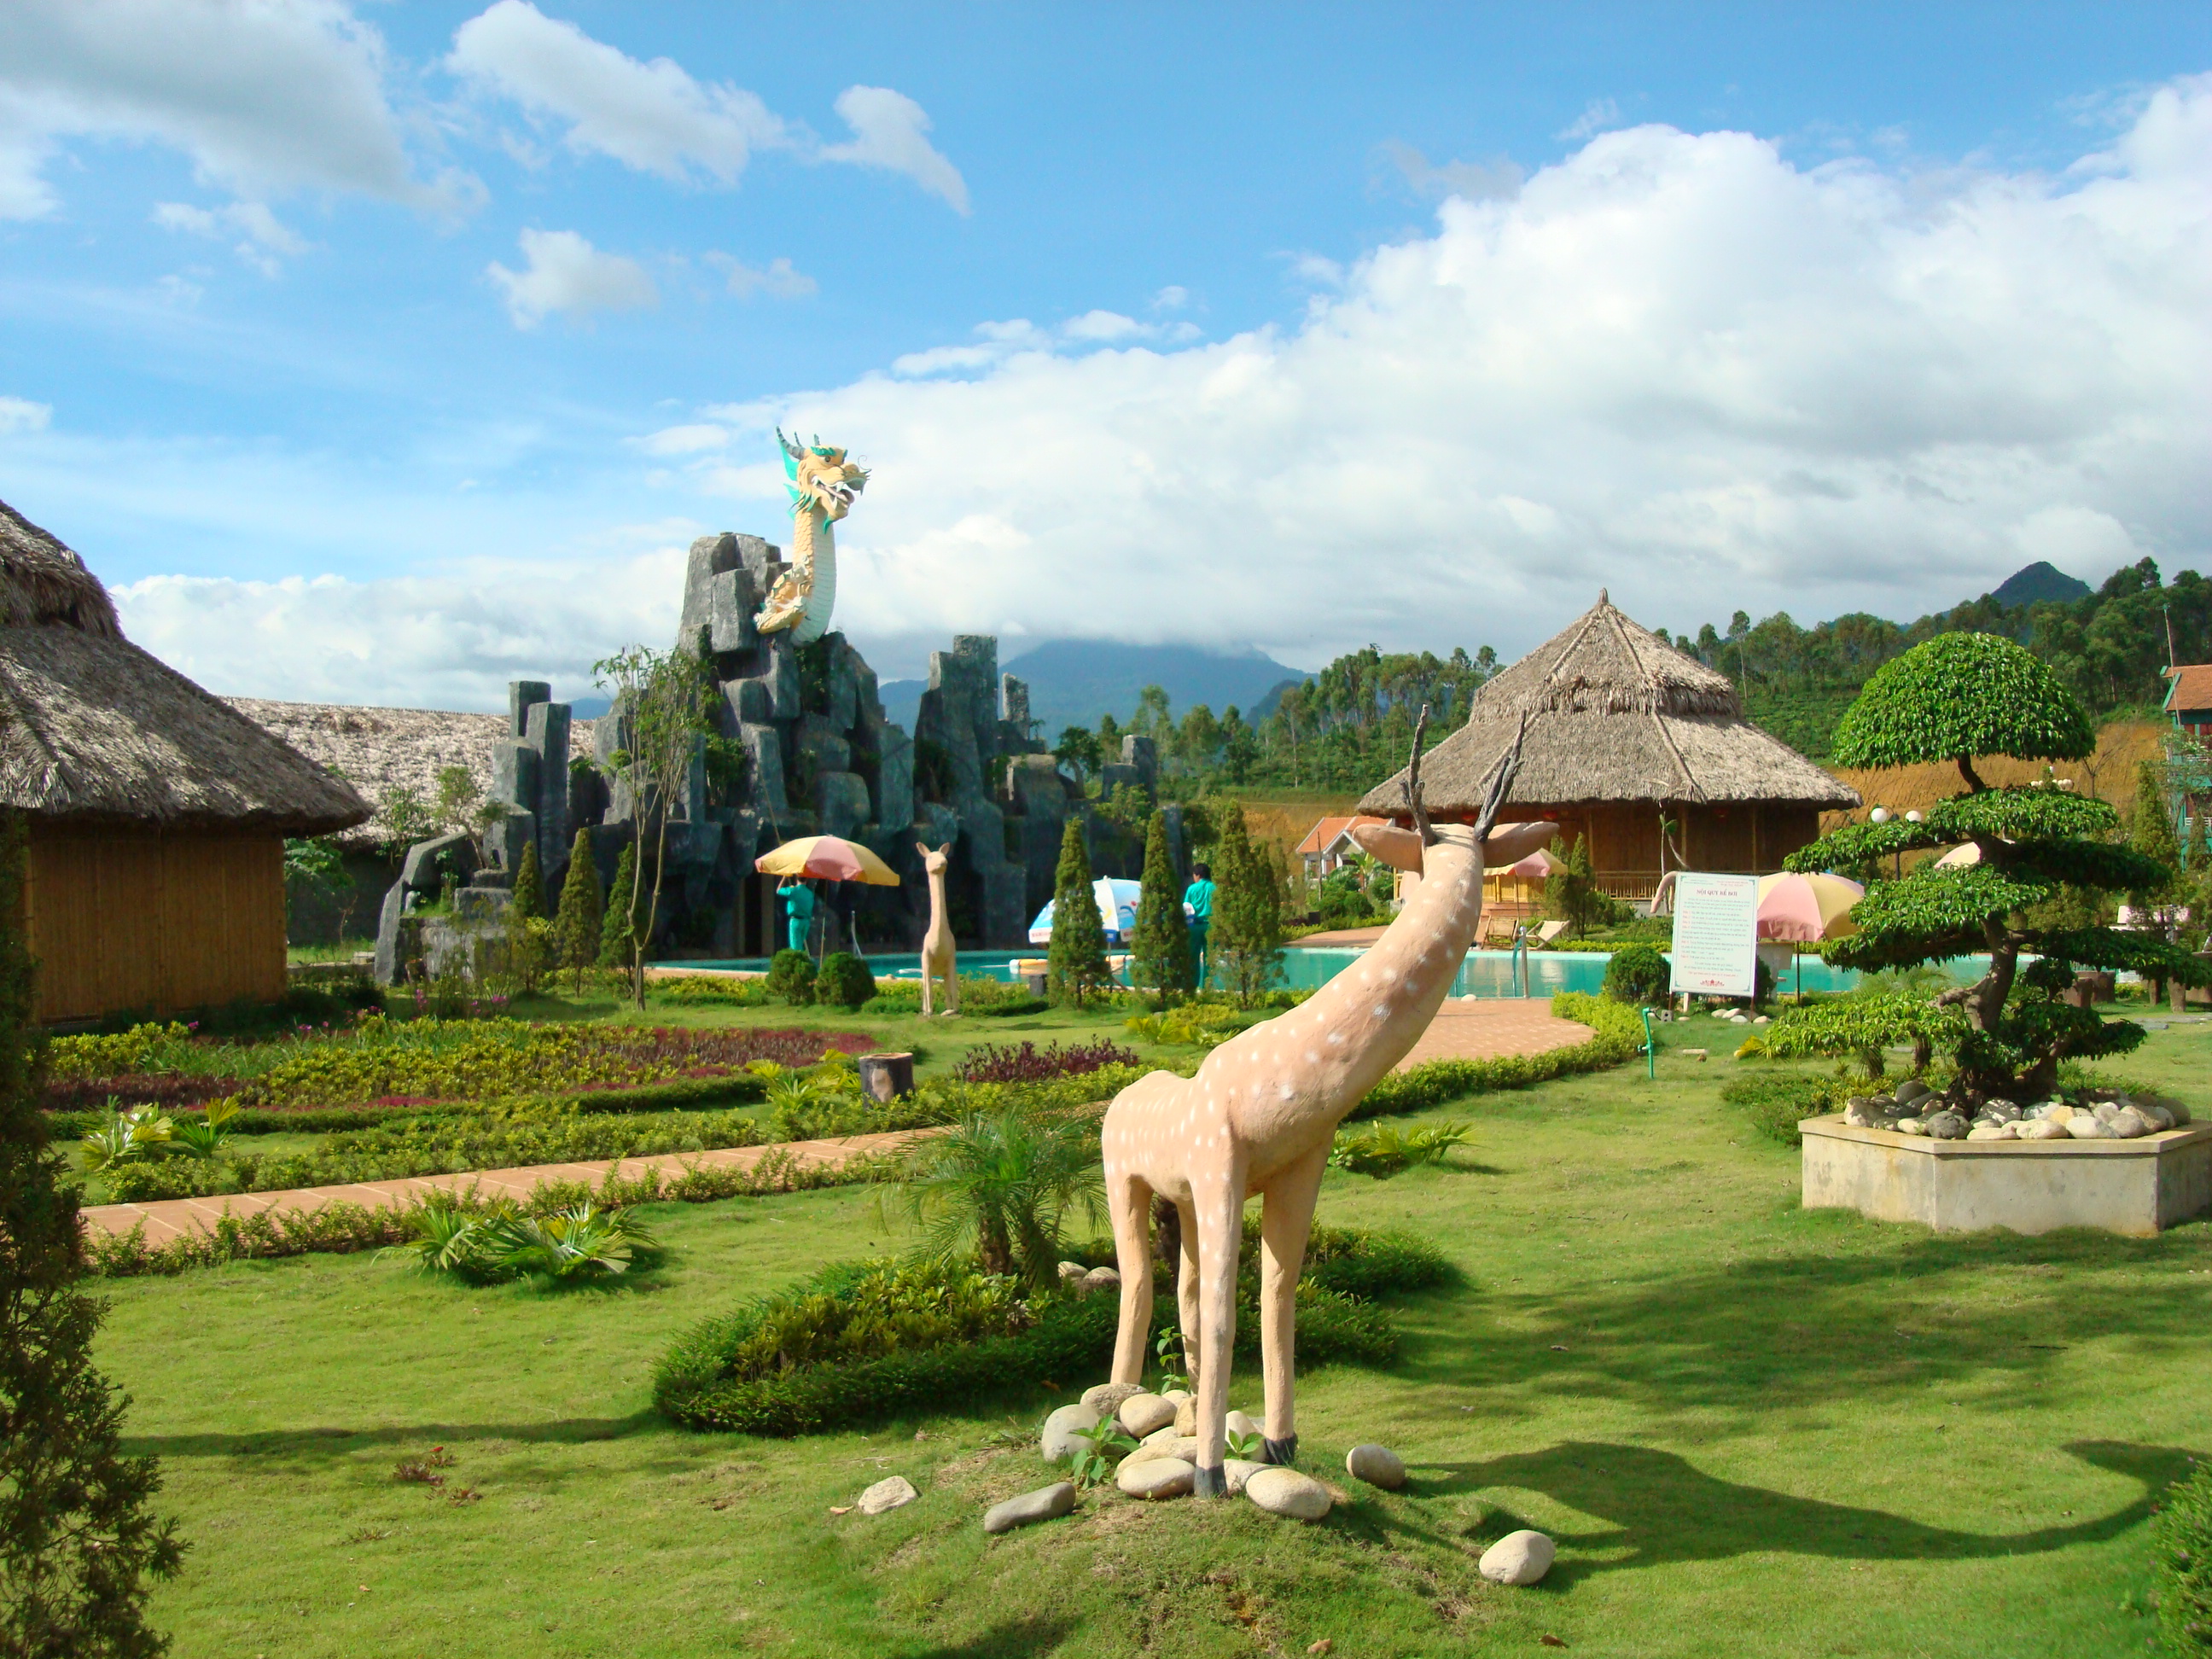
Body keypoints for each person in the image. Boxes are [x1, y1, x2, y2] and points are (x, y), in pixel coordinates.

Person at [1183, 860, 1215, 988]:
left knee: (1193, 957)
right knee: (1210, 958)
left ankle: (1192, 986)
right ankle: (1207, 987)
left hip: (1194, 926)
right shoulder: (1214, 888)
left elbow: (1186, 908)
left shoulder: (1192, 889)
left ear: (1198, 875)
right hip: (1211, 925)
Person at [778, 876, 816, 954]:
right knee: (800, 944)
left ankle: (798, 959)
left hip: (796, 920)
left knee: (795, 947)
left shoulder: (793, 891)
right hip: (806, 921)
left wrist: (784, 878)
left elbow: (779, 890)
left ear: (796, 879)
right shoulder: (809, 893)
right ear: (807, 880)